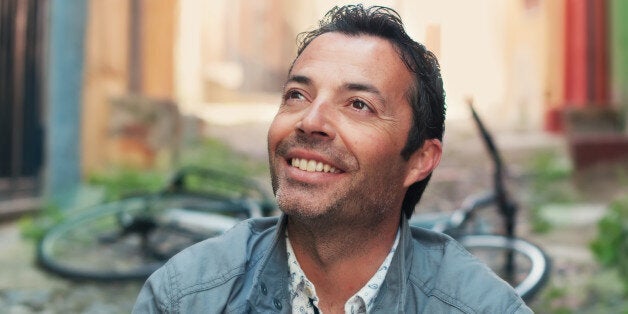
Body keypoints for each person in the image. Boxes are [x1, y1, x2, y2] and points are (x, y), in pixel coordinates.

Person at [133, 4, 532, 313]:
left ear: (419, 160)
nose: (310, 121)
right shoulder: (186, 296)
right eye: (297, 95)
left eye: (358, 104)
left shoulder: (479, 306)